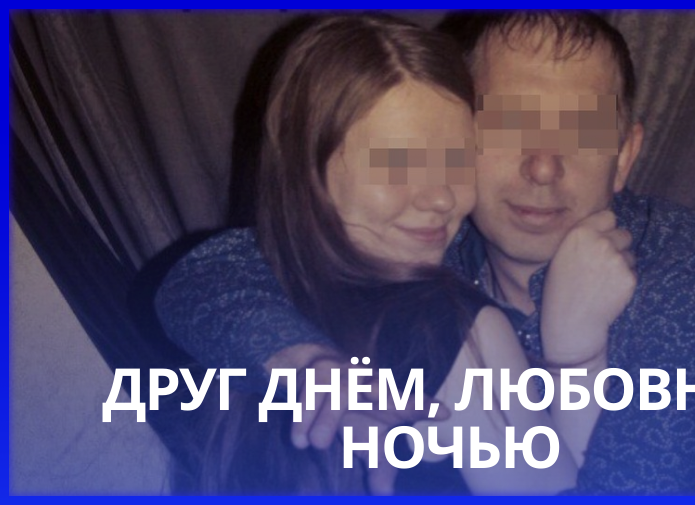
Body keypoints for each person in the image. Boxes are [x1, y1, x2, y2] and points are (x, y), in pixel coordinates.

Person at [156, 11, 695, 494]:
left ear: (624, 156)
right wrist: (303, 360)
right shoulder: (441, 239)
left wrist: (572, 350)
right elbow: (210, 272)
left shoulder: (684, 274)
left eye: (580, 130)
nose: (543, 165)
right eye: (509, 124)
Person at [159, 13, 601, 495]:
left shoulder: (262, 299)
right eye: (398, 162)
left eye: (458, 158)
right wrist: (580, 355)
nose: (440, 198)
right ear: (307, 167)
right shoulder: (447, 327)